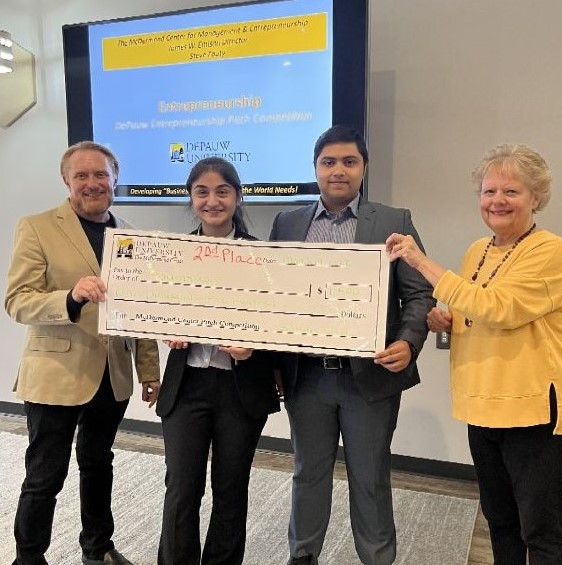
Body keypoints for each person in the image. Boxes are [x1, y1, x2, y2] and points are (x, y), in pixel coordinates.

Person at [386, 144, 562, 564]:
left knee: (540, 529)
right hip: (483, 406)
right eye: (488, 190)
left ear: (536, 197)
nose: (497, 200)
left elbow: (501, 309)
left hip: (535, 412)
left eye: (510, 191)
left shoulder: (552, 251)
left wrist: (421, 263)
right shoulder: (478, 250)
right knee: (500, 521)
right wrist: (449, 320)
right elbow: (477, 309)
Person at [268, 125, 435, 565]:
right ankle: (302, 556)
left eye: (349, 162)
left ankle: (377, 558)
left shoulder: (394, 221)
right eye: (328, 162)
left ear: (363, 168)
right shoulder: (287, 223)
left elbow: (419, 294)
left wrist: (409, 343)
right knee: (308, 473)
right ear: (315, 169)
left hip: (371, 378)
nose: (338, 170)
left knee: (370, 477)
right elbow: (271, 297)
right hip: (306, 379)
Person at [4, 141, 161, 565]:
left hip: (112, 375)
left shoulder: (129, 234)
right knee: (44, 476)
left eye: (100, 175)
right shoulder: (37, 227)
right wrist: (70, 298)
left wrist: (149, 369)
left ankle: (98, 547)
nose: (92, 184)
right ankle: (28, 558)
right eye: (81, 176)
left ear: (115, 178)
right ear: (66, 181)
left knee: (98, 465)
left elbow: (139, 309)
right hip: (55, 373)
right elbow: (17, 301)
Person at [156, 157, 281, 565]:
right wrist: (166, 326)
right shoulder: (172, 256)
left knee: (230, 489)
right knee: (181, 489)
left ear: (238, 197)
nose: (212, 200)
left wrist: (255, 348)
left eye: (222, 191)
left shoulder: (265, 259)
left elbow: (280, 325)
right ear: (191, 199)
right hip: (187, 386)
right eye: (202, 192)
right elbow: (153, 311)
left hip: (239, 389)